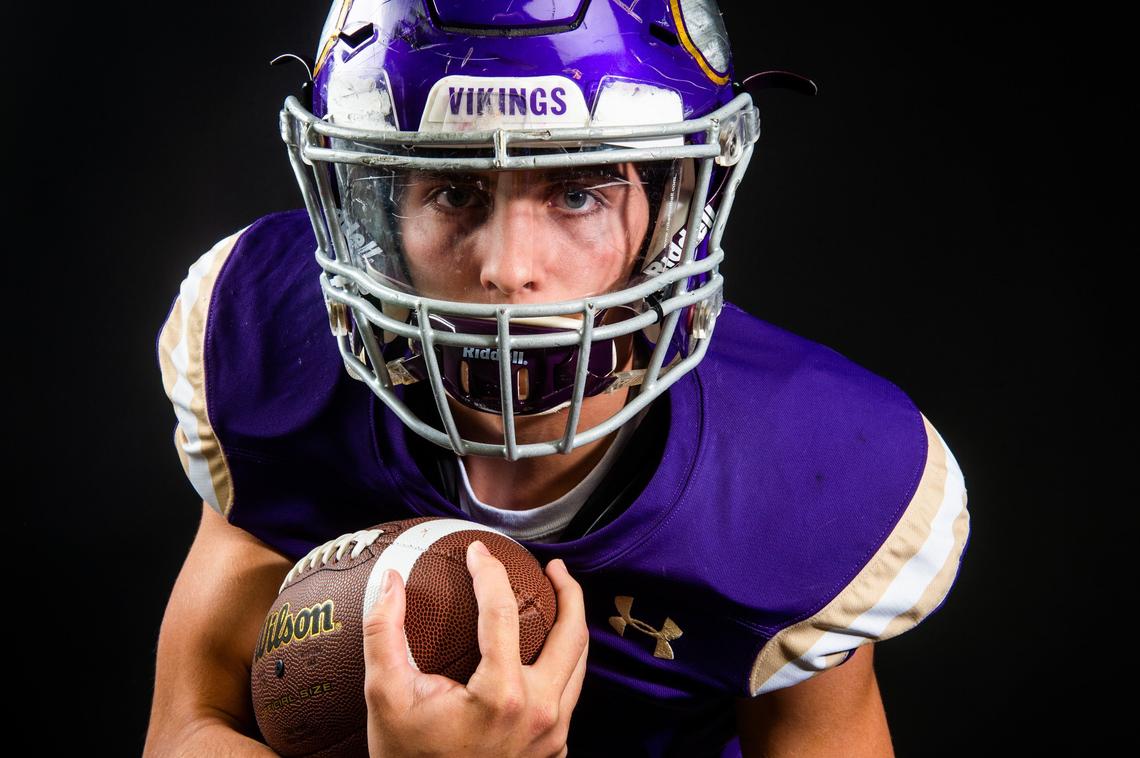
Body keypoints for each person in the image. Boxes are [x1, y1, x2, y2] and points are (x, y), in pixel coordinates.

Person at [145, 1, 970, 756]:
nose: (508, 270)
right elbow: (183, 732)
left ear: (670, 210)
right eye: (454, 191)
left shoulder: (806, 471)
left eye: (577, 191)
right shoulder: (268, 349)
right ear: (377, 217)